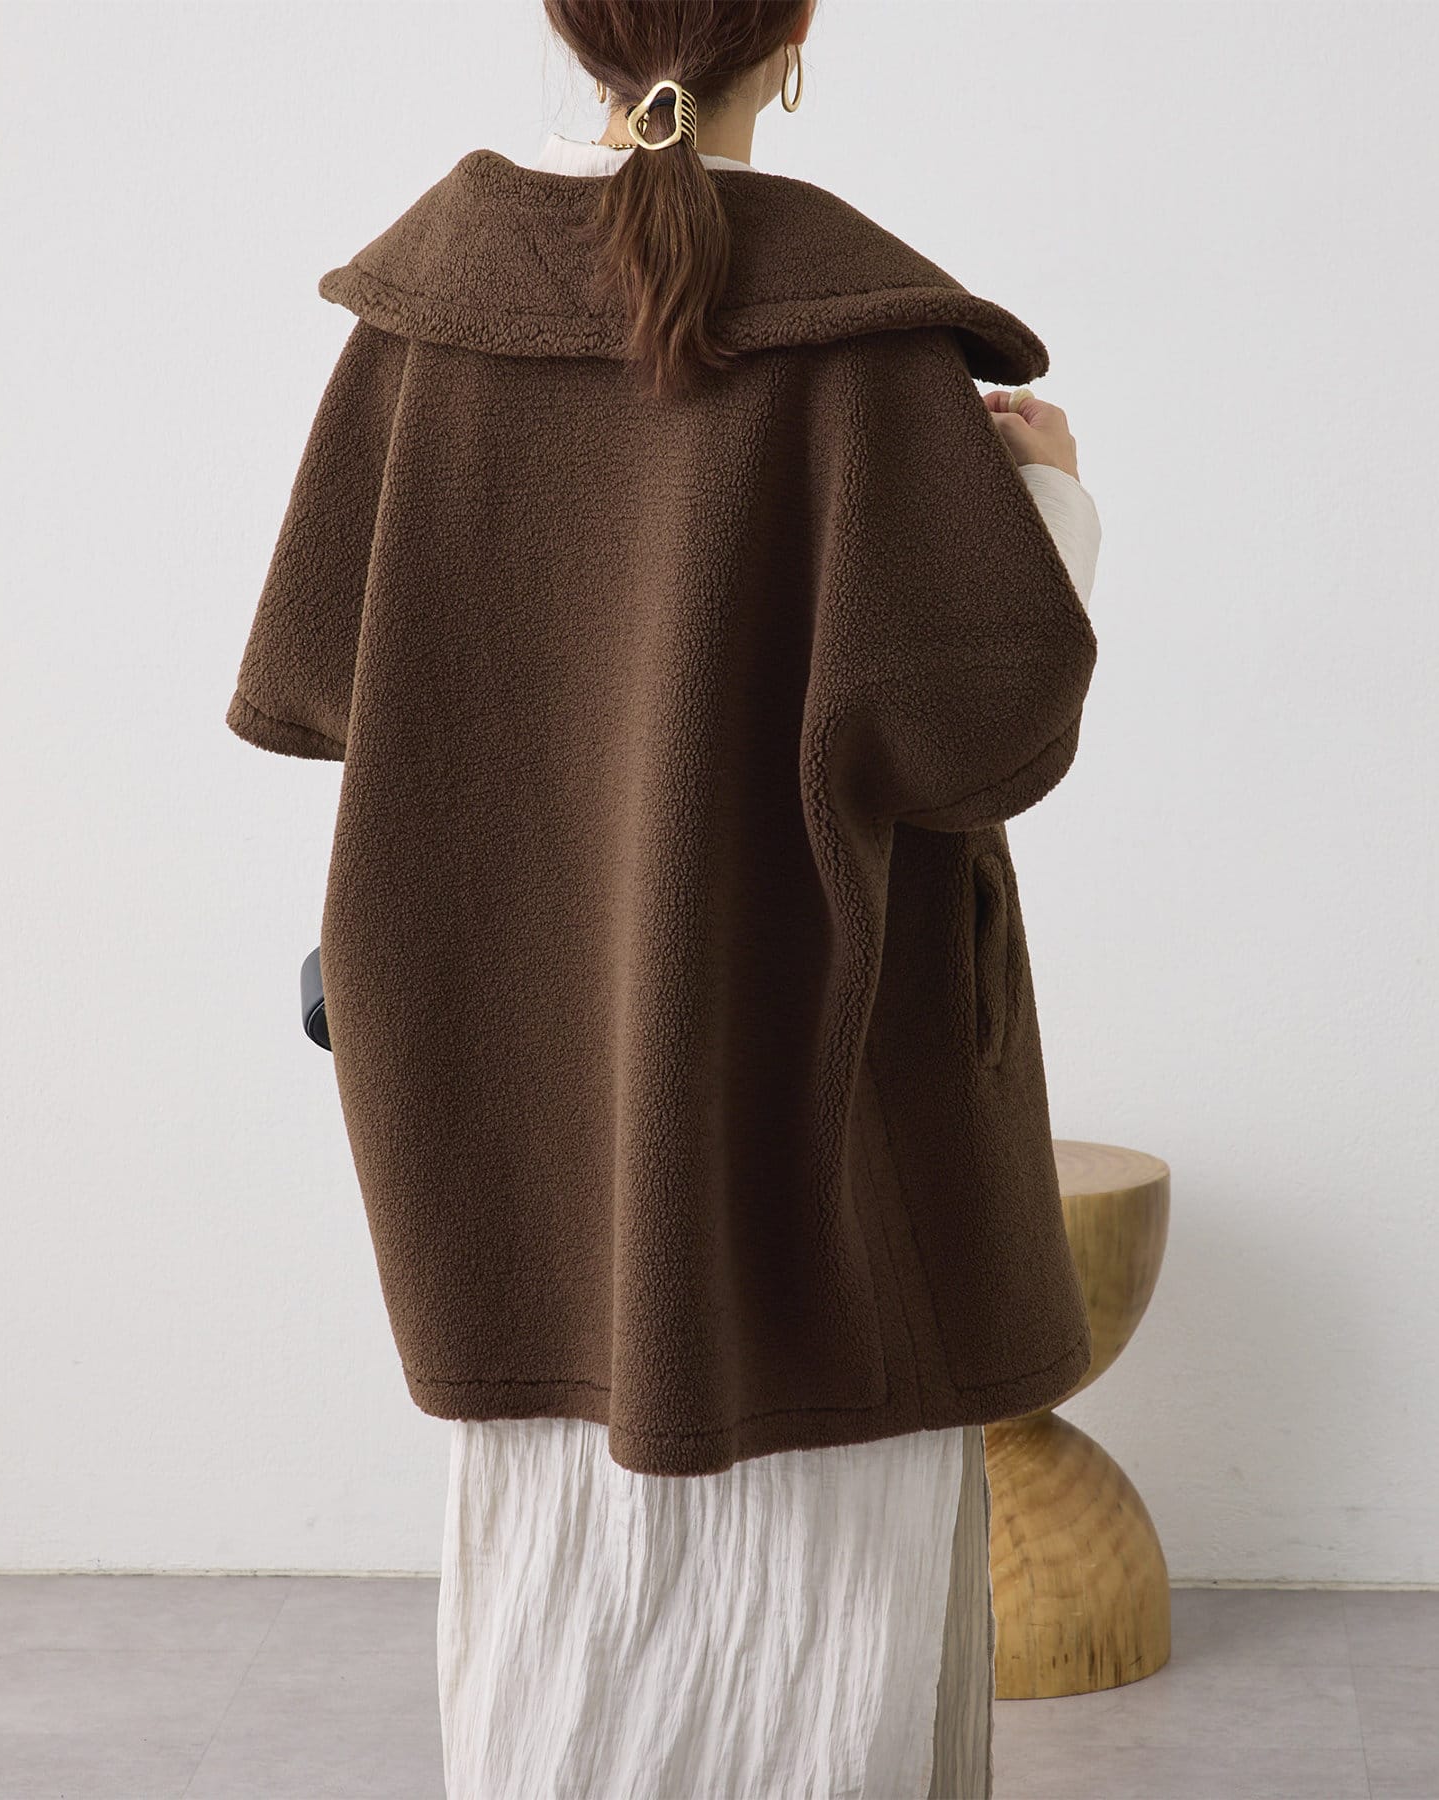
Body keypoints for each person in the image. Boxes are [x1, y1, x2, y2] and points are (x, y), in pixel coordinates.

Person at [226, 2, 1102, 1793]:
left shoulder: (427, 319)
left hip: (507, 1126)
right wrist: (1045, 511)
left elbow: (320, 682)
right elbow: (979, 738)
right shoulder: (868, 342)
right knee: (819, 1644)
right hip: (821, 1134)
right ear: (796, 35)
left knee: (557, 1628)